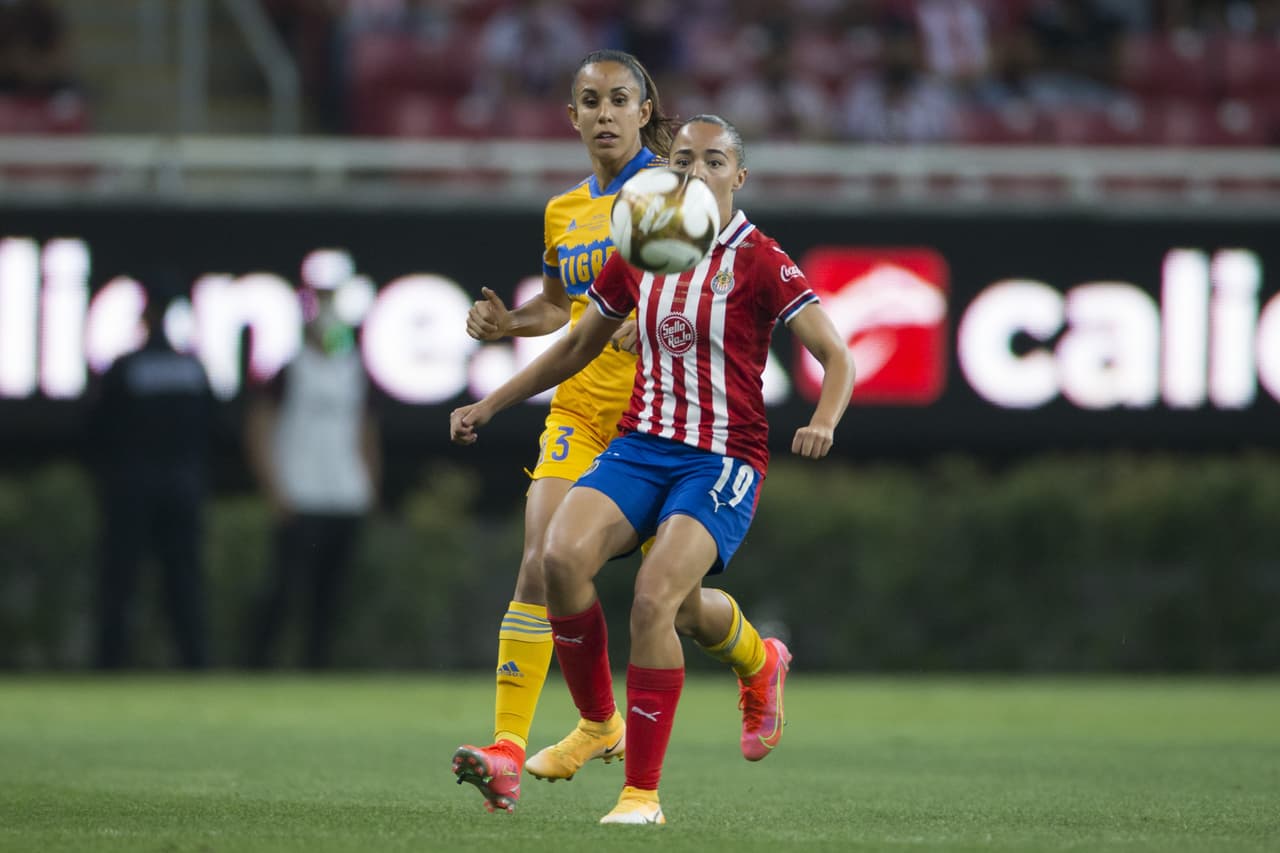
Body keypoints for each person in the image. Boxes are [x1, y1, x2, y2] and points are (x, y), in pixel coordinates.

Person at [451, 114, 856, 825]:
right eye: (684, 159)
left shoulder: (758, 256)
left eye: (715, 160)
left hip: (721, 456)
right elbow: (577, 344)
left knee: (652, 599)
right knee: (559, 559)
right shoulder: (638, 246)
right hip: (641, 446)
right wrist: (492, 402)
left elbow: (838, 354)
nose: (698, 171)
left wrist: (823, 418)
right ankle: (614, 716)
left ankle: (642, 794)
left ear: (740, 175)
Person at [242, 268, 381, 669]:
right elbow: (258, 429)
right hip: (300, 496)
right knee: (282, 591)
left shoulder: (354, 371)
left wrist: (369, 486)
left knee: (331, 597)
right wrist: (273, 488)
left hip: (345, 496)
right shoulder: (289, 370)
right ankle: (258, 664)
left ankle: (316, 666)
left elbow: (366, 434)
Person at [87, 271, 213, 669]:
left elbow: (97, 430)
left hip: (134, 486)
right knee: (181, 581)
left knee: (125, 581)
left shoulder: (127, 369)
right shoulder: (192, 370)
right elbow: (213, 430)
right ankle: (193, 664)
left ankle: (111, 665)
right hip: (176, 486)